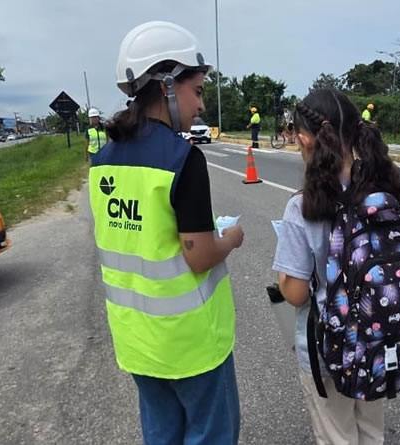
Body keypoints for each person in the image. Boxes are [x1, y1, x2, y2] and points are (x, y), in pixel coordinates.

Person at [90, 21, 244, 445]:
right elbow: (198, 254)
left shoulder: (102, 161)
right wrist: (229, 239)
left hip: (137, 341)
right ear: (167, 87)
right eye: (197, 91)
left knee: (161, 436)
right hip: (191, 345)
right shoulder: (182, 160)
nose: (200, 106)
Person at [272, 88, 400, 445]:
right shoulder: (381, 191)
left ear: (303, 138)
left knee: (337, 435)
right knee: (370, 431)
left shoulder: (302, 208)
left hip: (328, 349)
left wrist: (283, 276)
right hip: (378, 338)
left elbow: (298, 294)